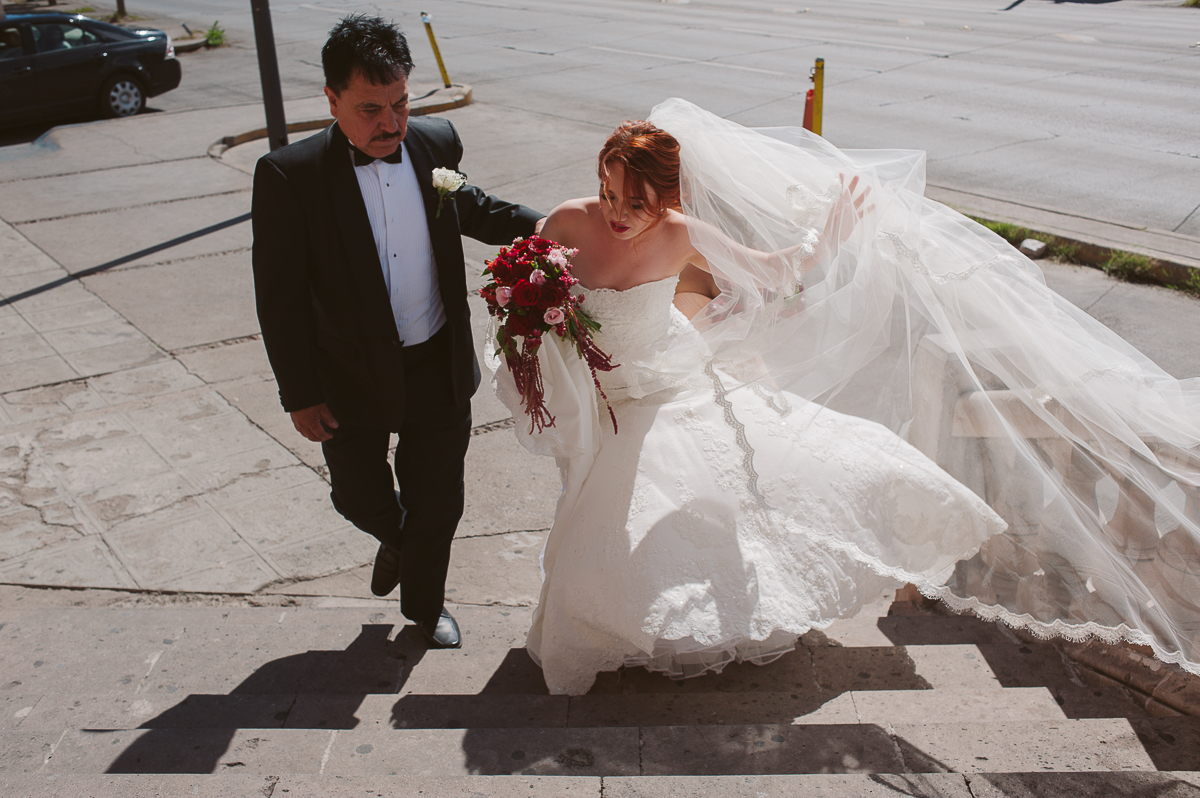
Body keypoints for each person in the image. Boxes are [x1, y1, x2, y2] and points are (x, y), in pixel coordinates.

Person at [490, 100, 1200, 696]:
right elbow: (520, 294)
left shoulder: (684, 236)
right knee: (600, 513)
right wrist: (525, 327)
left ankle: (669, 621)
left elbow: (775, 275)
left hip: (664, 386)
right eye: (609, 194)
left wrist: (823, 241)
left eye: (634, 203)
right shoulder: (566, 224)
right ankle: (617, 622)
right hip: (592, 392)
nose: (616, 213)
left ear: (669, 200)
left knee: (666, 502)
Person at [251, 15, 543, 649]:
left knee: (439, 501)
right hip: (346, 375)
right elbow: (279, 300)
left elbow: (477, 209)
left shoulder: (436, 144)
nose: (389, 123)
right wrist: (299, 392)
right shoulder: (288, 177)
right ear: (330, 100)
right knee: (357, 496)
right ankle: (395, 537)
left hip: (436, 361)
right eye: (369, 109)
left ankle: (424, 607)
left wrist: (559, 228)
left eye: (401, 104)